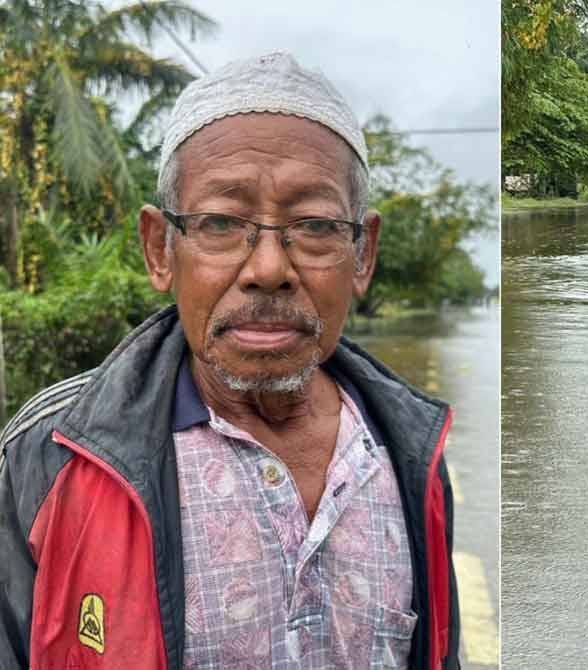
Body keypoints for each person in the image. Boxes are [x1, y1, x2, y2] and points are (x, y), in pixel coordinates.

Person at [0, 53, 460, 670]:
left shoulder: (411, 452)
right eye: (220, 222)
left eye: (316, 224)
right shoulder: (50, 456)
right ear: (160, 249)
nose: (269, 269)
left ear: (362, 254)